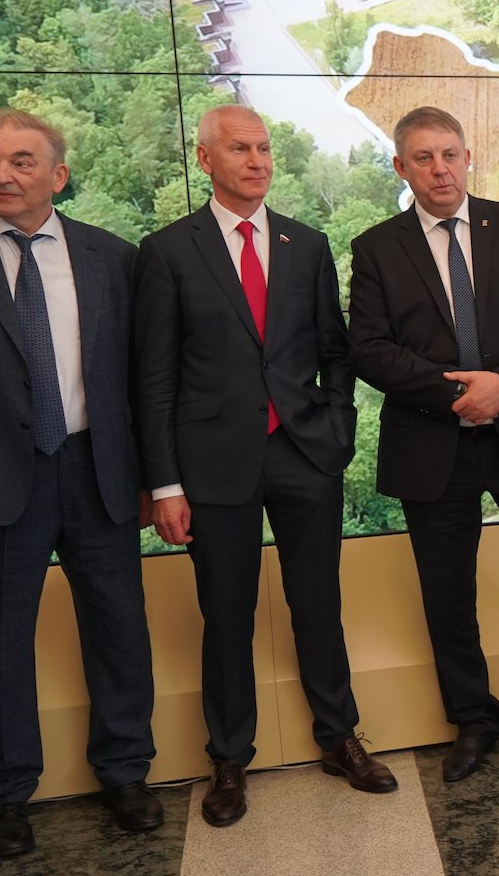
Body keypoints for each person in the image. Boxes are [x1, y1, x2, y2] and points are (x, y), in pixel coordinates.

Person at [133, 105, 395, 827]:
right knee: (226, 613)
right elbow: (153, 379)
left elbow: (336, 350)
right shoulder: (167, 252)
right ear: (205, 159)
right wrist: (164, 483)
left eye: (264, 148)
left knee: (318, 603)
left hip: (305, 451)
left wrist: (337, 428)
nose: (256, 161)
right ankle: (228, 758)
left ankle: (340, 738)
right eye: (239, 149)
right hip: (212, 463)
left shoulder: (305, 244)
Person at [349, 106, 499, 781]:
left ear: (467, 158)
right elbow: (368, 349)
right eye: (423, 158)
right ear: (401, 167)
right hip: (433, 442)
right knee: (448, 593)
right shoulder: (376, 248)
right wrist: (457, 393)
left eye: (450, 154)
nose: (441, 170)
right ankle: (474, 721)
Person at [0, 109, 161, 857]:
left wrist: (153, 478)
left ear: (58, 176)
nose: (1, 175)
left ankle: (125, 773)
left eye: (21, 161)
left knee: (119, 629)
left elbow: (141, 378)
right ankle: (3, 795)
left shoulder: (112, 258)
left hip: (98, 470)